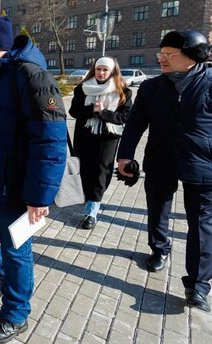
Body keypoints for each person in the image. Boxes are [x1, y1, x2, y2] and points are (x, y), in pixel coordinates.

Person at [0, 16, 67, 342]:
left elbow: (50, 139)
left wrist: (40, 197)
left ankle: (16, 315)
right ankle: (2, 272)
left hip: (17, 190)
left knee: (18, 250)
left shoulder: (31, 76)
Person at [117, 30, 212, 312]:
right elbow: (135, 124)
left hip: (202, 162)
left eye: (170, 55)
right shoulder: (150, 88)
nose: (162, 60)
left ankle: (198, 285)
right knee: (158, 207)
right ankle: (159, 249)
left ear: (192, 58)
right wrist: (124, 156)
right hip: (159, 158)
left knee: (201, 224)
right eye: (161, 54)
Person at [69, 57, 132, 230]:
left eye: (105, 70)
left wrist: (103, 113)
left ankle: (91, 213)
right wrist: (91, 110)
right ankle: (86, 197)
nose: (101, 73)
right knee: (83, 170)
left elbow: (125, 117)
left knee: (100, 173)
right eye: (99, 69)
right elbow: (74, 111)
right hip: (85, 136)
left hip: (107, 139)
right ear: (94, 70)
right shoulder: (83, 88)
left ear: (112, 71)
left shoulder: (123, 91)